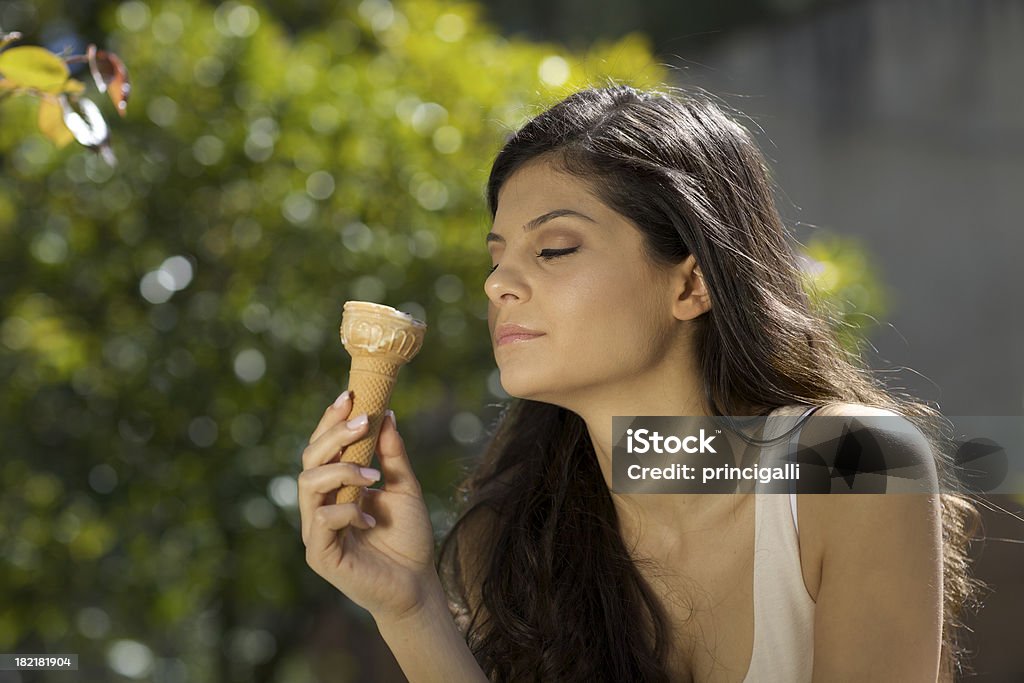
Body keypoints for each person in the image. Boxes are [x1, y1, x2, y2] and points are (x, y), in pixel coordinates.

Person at [298, 85, 981, 682]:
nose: (498, 284)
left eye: (554, 248)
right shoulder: (519, 535)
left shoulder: (853, 466)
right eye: (497, 255)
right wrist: (410, 602)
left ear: (690, 282)